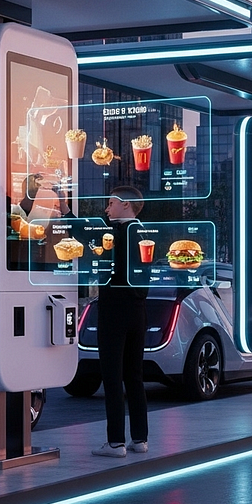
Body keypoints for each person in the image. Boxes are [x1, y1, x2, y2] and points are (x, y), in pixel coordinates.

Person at [92, 186, 149, 457]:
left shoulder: (116, 233)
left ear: (126, 205)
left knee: (112, 377)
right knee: (134, 377)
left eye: (111, 203)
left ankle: (115, 442)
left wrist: (66, 212)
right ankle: (140, 438)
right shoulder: (145, 232)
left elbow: (92, 236)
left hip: (113, 310)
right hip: (138, 312)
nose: (107, 208)